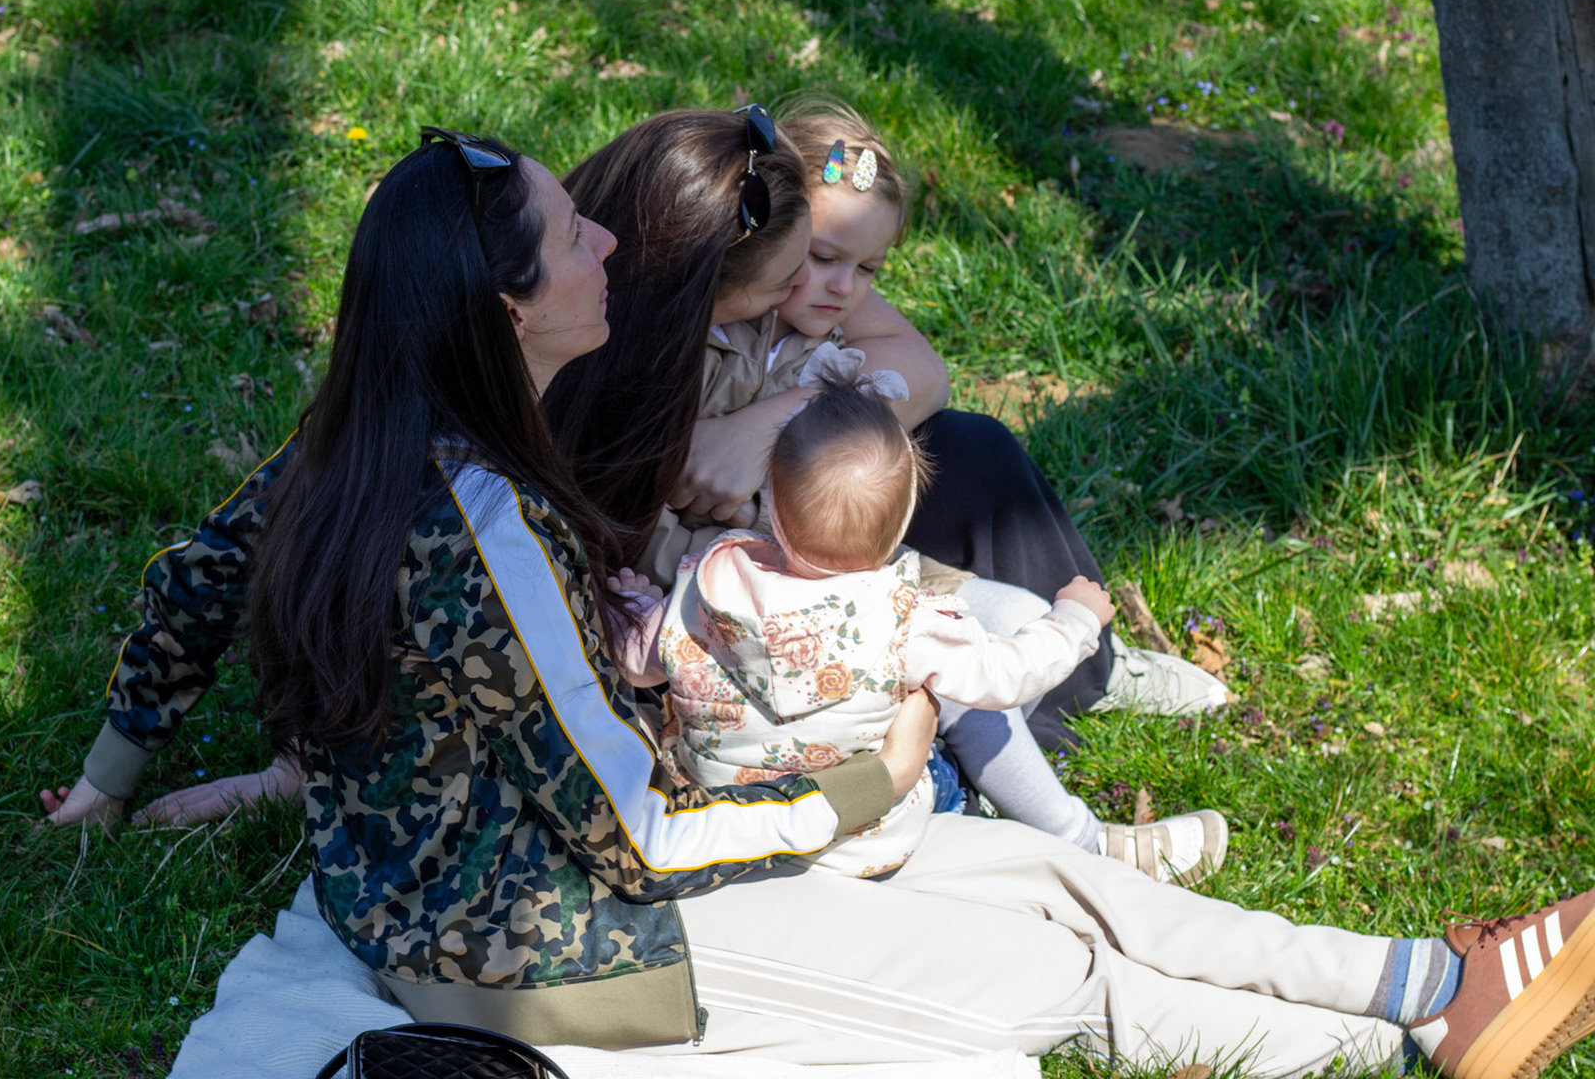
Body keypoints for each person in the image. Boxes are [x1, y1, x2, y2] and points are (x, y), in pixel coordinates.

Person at [135, 119, 1592, 1078]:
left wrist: (105, 777)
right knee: (1048, 979)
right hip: (559, 941)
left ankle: (1425, 974)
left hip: (608, 849)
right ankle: (1412, 1044)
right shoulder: (487, 522)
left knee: (1055, 879)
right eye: (572, 235)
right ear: (507, 305)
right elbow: (634, 828)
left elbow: (191, 581)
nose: (605, 243)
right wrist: (861, 785)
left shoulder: (369, 428)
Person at [610, 370, 1172, 880]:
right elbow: (1007, 675)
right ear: (904, 523)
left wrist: (634, 606)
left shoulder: (705, 585)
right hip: (867, 837)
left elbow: (636, 665)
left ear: (771, 506)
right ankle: (1011, 817)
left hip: (733, 825)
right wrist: (1076, 619)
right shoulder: (907, 619)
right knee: (953, 729)